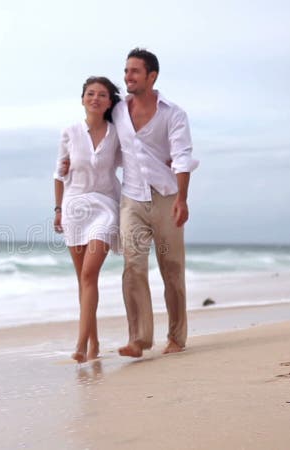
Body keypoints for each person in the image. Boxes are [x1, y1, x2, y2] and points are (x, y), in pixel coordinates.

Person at [113, 48, 199, 357]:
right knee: (132, 266)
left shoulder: (173, 114)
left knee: (172, 268)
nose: (128, 76)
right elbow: (98, 134)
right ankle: (138, 338)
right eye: (126, 70)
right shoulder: (117, 111)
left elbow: (182, 156)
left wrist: (182, 199)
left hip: (167, 197)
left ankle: (176, 336)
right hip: (132, 199)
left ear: (152, 76)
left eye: (135, 71)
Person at [53, 76, 122, 363]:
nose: (95, 98)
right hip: (74, 208)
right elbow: (59, 175)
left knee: (90, 274)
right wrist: (58, 210)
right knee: (83, 280)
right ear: (82, 99)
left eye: (102, 94)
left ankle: (80, 345)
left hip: (105, 206)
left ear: (109, 102)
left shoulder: (117, 133)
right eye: (90, 93)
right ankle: (93, 344)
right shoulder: (69, 132)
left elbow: (134, 161)